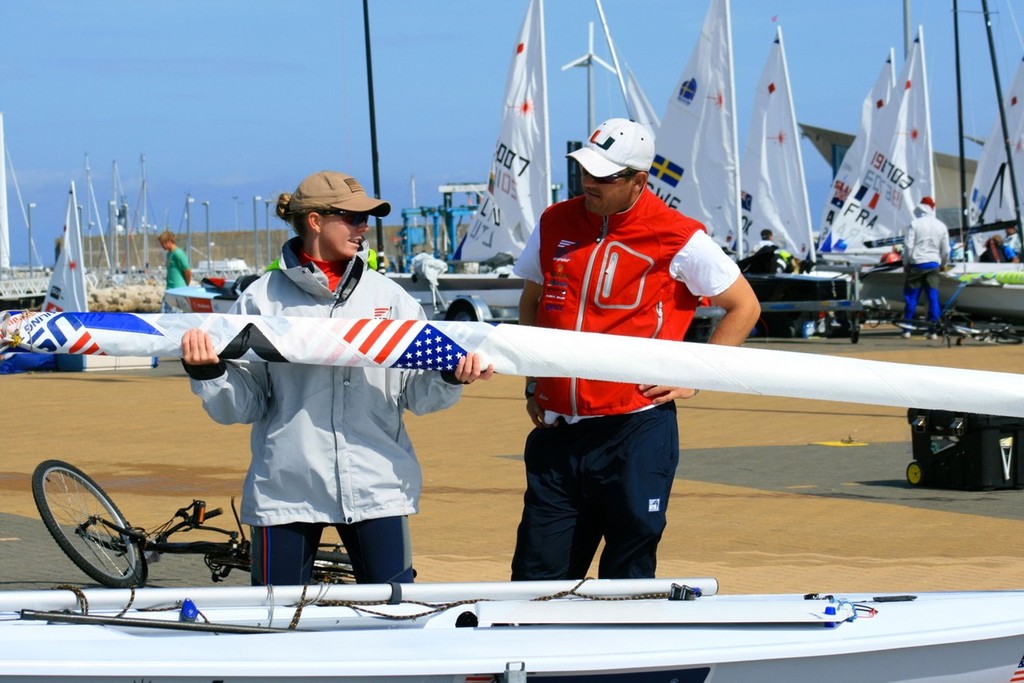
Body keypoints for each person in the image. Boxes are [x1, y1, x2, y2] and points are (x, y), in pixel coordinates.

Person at [179, 170, 493, 586]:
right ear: (314, 220)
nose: (364, 228)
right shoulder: (260, 299)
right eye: (353, 217)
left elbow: (416, 395)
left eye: (367, 218)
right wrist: (210, 373)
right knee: (277, 622)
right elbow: (246, 404)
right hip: (285, 488)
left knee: (395, 618)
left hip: (377, 486)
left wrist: (452, 378)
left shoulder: (389, 298)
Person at [510, 118, 761, 581]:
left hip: (635, 430)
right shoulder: (554, 221)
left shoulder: (678, 235)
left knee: (628, 571)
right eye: (585, 171)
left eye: (603, 177)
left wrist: (695, 375)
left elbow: (743, 306)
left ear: (638, 181)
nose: (589, 183)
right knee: (536, 576)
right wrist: (532, 380)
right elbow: (532, 299)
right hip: (558, 432)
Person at [901, 196, 950, 339]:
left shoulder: (915, 224)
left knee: (912, 297)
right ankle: (932, 330)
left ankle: (907, 329)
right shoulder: (941, 226)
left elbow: (908, 246)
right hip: (933, 263)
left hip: (917, 263)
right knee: (933, 297)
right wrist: (943, 264)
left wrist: (906, 262)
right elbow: (946, 250)